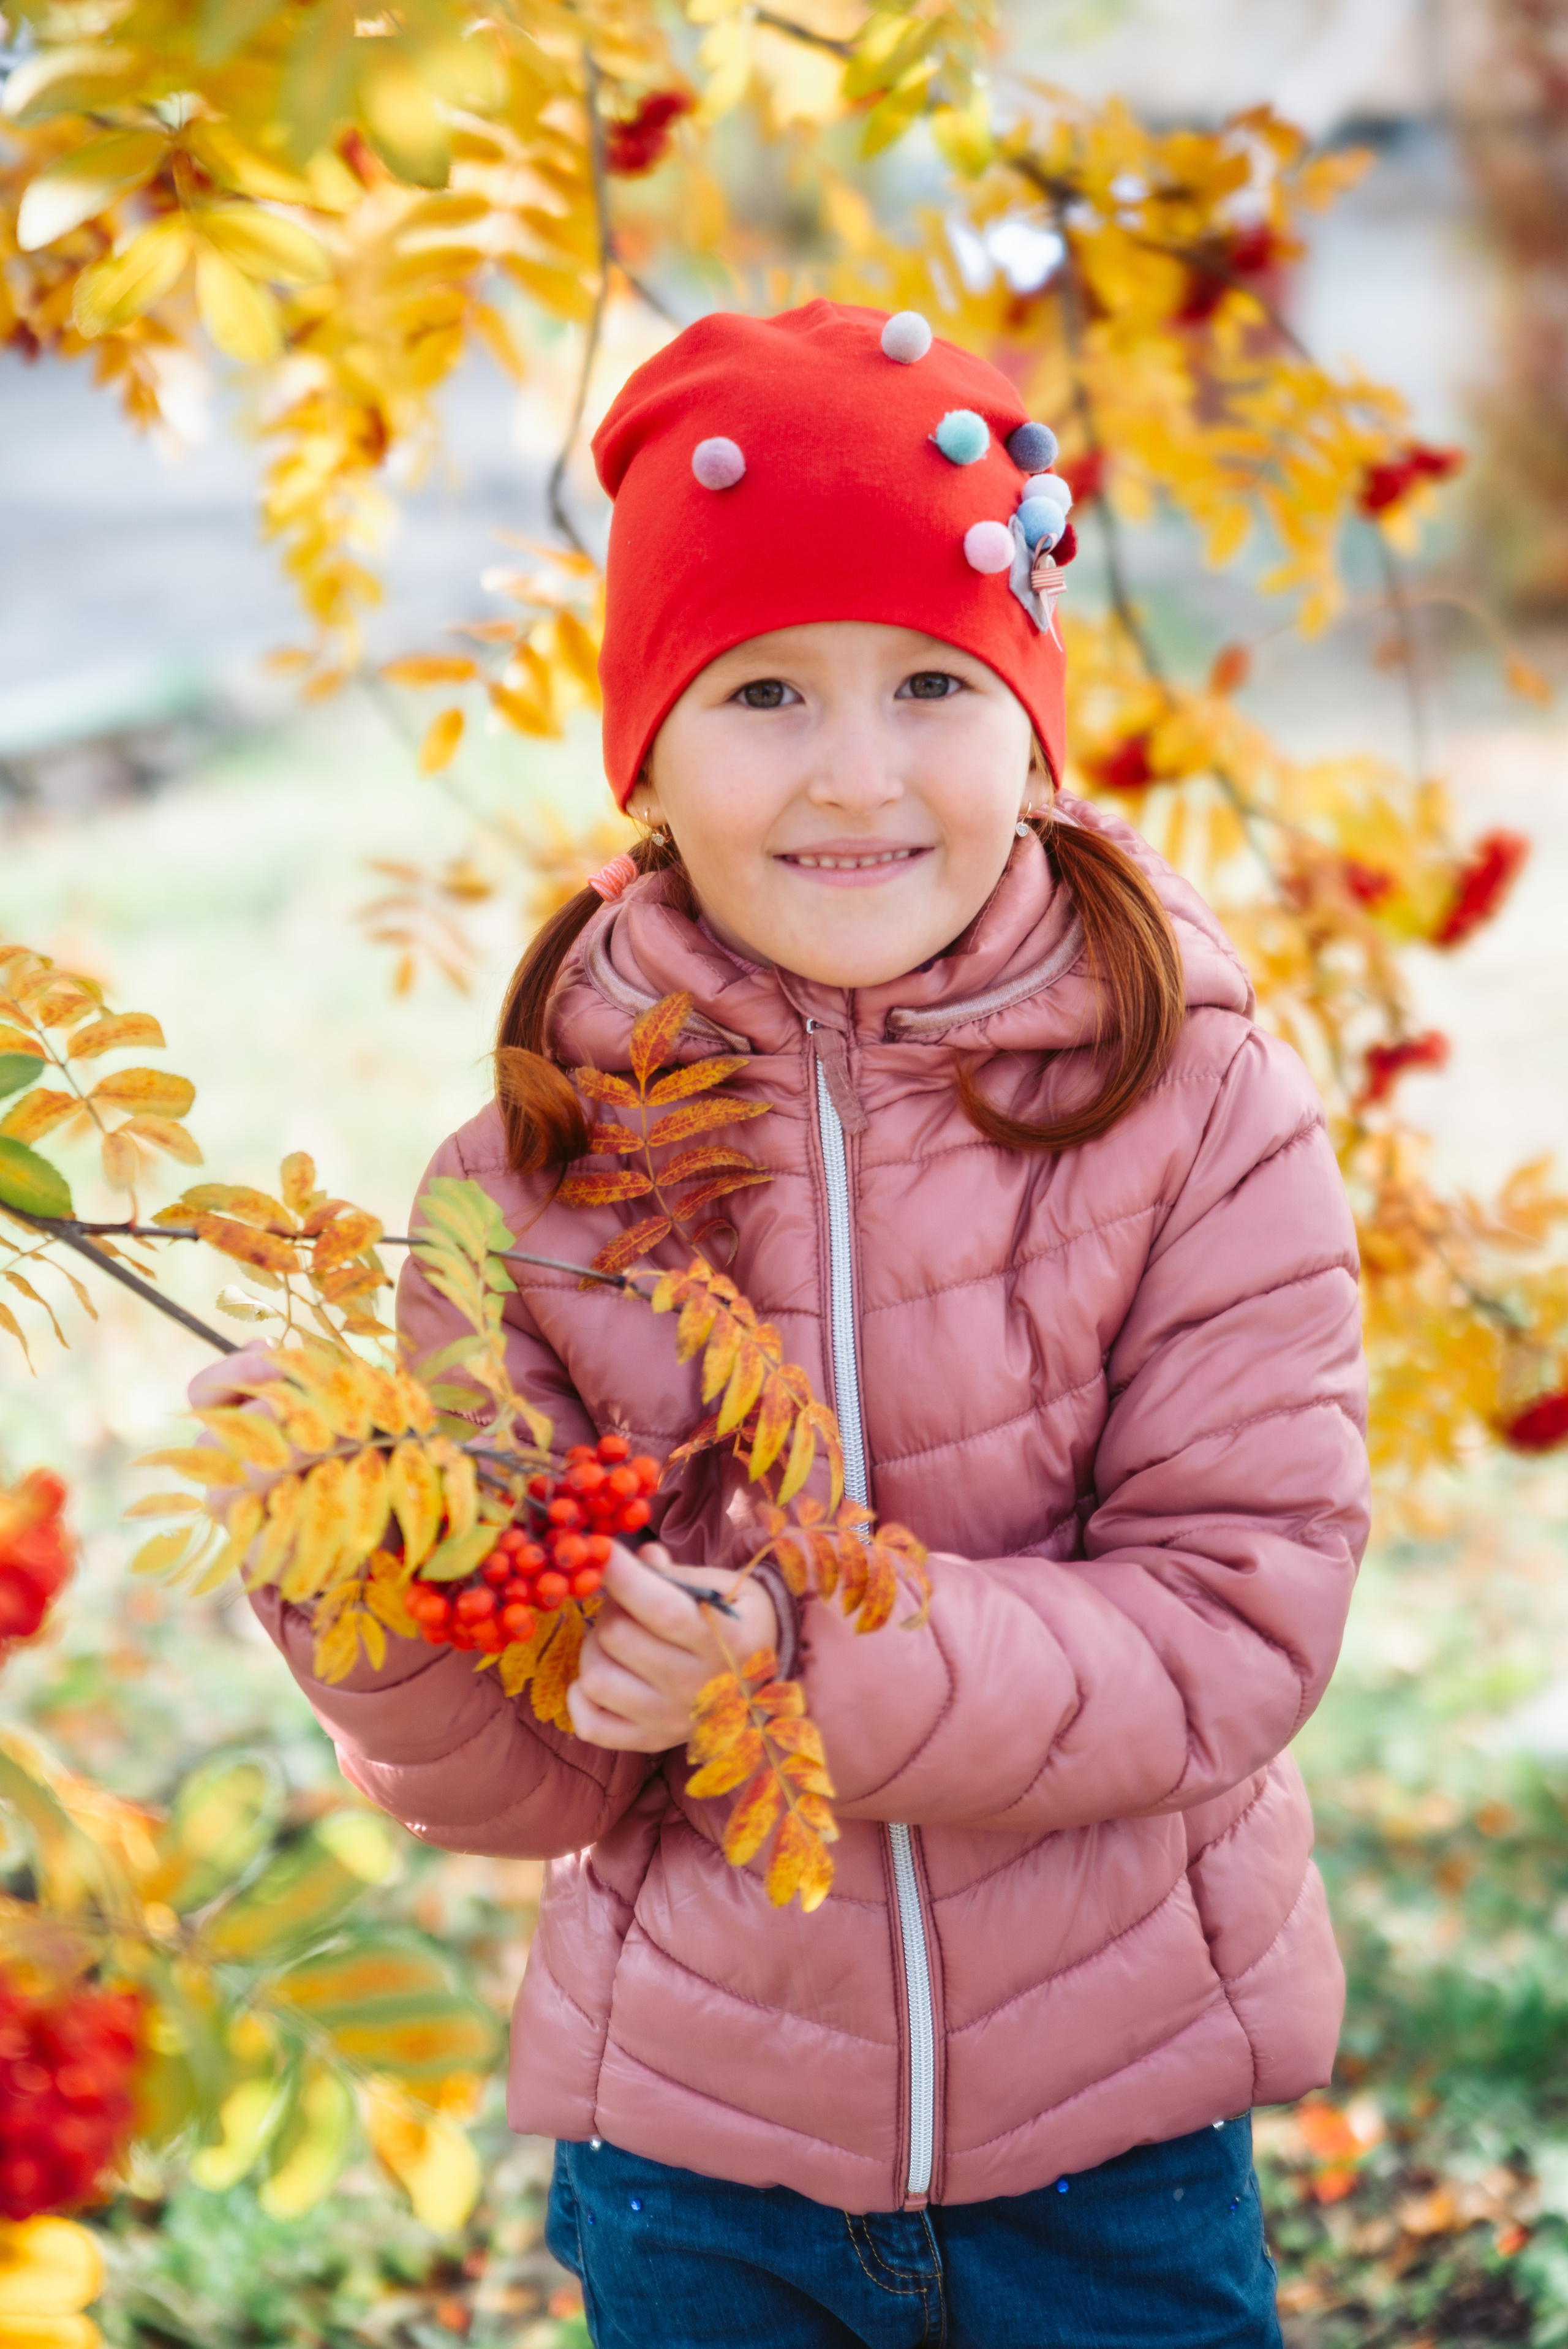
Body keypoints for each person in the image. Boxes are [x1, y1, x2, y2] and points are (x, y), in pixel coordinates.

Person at [252, 302, 1370, 2347]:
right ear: (648, 759)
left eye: (934, 683)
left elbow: (1237, 1621)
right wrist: (361, 1568)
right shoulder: (526, 1180)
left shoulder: (1194, 1099)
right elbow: (522, 1790)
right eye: (765, 688)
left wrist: (802, 1653)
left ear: (1027, 725)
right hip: (698, 2168)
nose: (858, 773)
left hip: (1114, 2154)